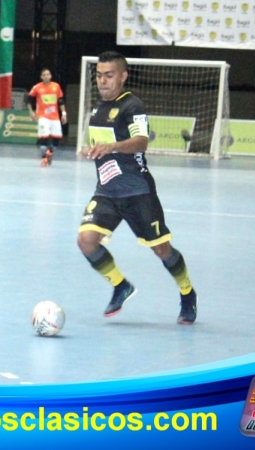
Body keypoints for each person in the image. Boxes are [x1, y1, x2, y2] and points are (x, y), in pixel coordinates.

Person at [77, 51, 197, 324]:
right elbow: (103, 149)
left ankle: (187, 293)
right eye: (99, 75)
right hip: (106, 192)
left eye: (109, 75)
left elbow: (141, 141)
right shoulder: (97, 110)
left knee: (162, 249)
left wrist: (112, 147)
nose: (102, 81)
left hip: (138, 193)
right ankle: (121, 285)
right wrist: (92, 150)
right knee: (86, 240)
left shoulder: (133, 106)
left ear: (123, 76)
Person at [26, 68, 67, 167]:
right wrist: (31, 111)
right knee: (43, 137)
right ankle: (44, 158)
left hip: (54, 117)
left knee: (57, 137)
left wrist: (64, 113)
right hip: (42, 116)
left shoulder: (56, 86)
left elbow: (61, 101)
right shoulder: (37, 87)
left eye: (48, 74)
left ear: (51, 76)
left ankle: (50, 152)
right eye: (44, 75)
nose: (46, 76)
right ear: (41, 77)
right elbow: (28, 100)